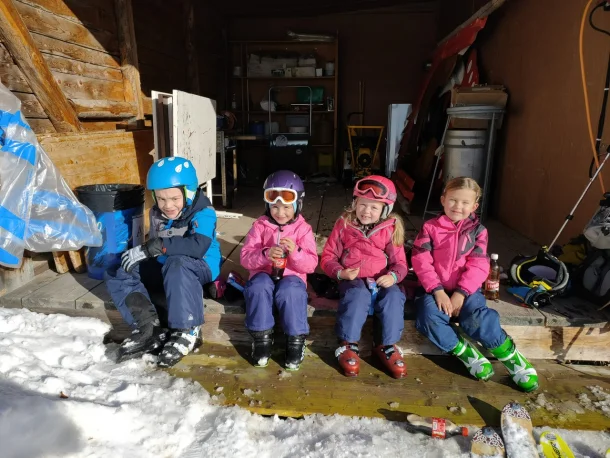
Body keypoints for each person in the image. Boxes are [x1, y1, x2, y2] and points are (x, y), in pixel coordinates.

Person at [411, 177, 539, 392]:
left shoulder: (478, 231)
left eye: (465, 202)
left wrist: (460, 293)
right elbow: (421, 260)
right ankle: (465, 352)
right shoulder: (430, 228)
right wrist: (438, 291)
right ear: (443, 200)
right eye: (453, 200)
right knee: (428, 317)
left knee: (478, 318)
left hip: (466, 290)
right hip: (434, 289)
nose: (457, 206)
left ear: (474, 206)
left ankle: (510, 356)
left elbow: (479, 265)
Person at [105, 157, 222, 367]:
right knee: (119, 268)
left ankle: (188, 330)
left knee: (177, 263)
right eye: (160, 198)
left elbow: (198, 246)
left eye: (174, 198)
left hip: (200, 265)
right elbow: (156, 245)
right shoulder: (157, 213)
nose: (167, 205)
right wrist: (144, 254)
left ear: (189, 192)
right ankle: (148, 327)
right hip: (167, 264)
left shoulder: (204, 213)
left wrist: (157, 246)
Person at [321, 175, 408, 378]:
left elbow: (401, 263)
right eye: (362, 204)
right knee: (357, 295)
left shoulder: (391, 228)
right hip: (353, 279)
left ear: (385, 210)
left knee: (394, 296)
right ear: (355, 203)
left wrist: (393, 276)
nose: (366, 211)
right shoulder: (344, 224)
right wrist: (340, 272)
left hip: (381, 279)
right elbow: (328, 257)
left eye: (374, 207)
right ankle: (348, 343)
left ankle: (387, 345)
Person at [240, 170, 318, 371]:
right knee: (258, 287)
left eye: (286, 207)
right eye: (275, 206)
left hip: (292, 277)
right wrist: (265, 254)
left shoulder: (303, 229)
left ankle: (295, 340)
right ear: (268, 205)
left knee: (291, 291)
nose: (280, 213)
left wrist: (296, 252)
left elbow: (311, 264)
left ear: (297, 205)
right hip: (263, 274)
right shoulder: (259, 226)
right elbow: (245, 258)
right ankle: (261, 339)